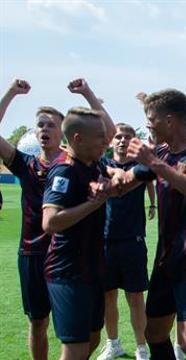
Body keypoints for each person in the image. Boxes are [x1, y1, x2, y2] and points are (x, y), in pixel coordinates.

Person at [0, 78, 115, 360]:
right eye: (40, 124)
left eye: (51, 124)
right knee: (38, 322)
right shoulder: (25, 163)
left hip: (76, 255)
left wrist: (88, 94)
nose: (44, 129)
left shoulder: (83, 161)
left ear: (64, 132)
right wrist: (11, 94)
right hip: (35, 251)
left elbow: (107, 135)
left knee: (88, 333)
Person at [119, 88, 186, 360]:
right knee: (154, 333)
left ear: (171, 121)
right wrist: (104, 182)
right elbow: (127, 181)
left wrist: (154, 163)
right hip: (166, 259)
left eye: (152, 118)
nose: (148, 124)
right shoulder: (161, 153)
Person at [41, 107, 114, 360]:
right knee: (76, 348)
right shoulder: (64, 171)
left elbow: (115, 180)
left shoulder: (95, 164)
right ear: (77, 139)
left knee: (93, 337)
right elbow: (50, 222)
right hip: (67, 272)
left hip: (92, 269)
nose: (106, 141)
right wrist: (92, 204)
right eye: (100, 137)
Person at [97, 123, 152, 360]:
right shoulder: (101, 165)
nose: (121, 140)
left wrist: (153, 203)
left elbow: (152, 160)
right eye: (118, 136)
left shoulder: (138, 167)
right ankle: (113, 343)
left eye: (127, 137)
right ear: (110, 141)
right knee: (108, 296)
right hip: (105, 241)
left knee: (135, 297)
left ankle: (142, 347)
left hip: (133, 240)